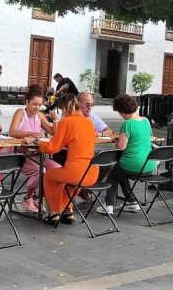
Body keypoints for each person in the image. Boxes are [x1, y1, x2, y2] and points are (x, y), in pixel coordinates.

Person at [39, 93, 97, 225]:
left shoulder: (66, 121)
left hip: (75, 173)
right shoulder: (89, 123)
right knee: (67, 182)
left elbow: (52, 148)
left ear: (64, 109)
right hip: (91, 173)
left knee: (49, 177)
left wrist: (39, 144)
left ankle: (54, 212)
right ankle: (68, 210)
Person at [97, 94, 152, 215]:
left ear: (124, 111)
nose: (120, 115)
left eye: (120, 113)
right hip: (148, 165)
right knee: (120, 171)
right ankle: (132, 202)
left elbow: (121, 147)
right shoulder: (146, 121)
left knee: (114, 173)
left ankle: (108, 205)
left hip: (134, 164)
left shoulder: (127, 124)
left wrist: (117, 140)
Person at [8, 85, 57, 212]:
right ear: (27, 102)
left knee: (56, 168)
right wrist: (31, 133)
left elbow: (53, 131)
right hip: (22, 155)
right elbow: (12, 132)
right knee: (41, 171)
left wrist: (55, 121)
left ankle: (40, 196)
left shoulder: (40, 116)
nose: (37, 107)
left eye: (40, 105)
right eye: (34, 104)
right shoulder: (20, 113)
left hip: (37, 154)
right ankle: (28, 197)